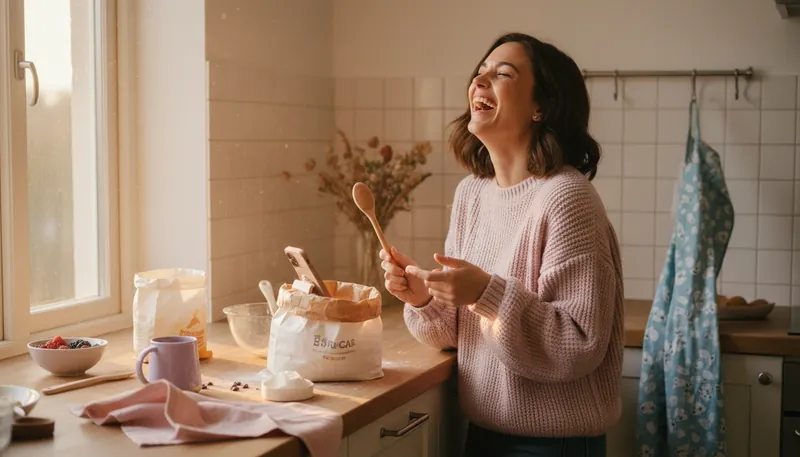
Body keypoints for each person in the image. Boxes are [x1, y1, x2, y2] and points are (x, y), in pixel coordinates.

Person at [379, 32, 624, 457]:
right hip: (485, 432)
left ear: (540, 107)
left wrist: (486, 294)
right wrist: (423, 297)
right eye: (479, 72)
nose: (480, 80)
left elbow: (578, 343)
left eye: (502, 73)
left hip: (554, 445)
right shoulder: (472, 195)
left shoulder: (567, 197)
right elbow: (458, 333)